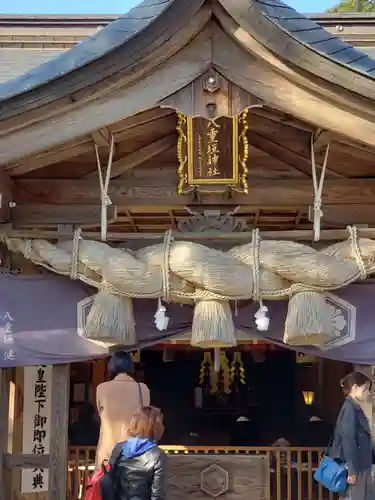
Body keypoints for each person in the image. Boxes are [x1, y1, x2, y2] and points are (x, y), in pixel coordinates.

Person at [95, 351, 150, 468]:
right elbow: (147, 415)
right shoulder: (142, 389)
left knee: (106, 484)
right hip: (134, 453)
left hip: (107, 452)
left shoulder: (101, 388)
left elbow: (100, 413)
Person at [329, 371, 375, 500]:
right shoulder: (349, 408)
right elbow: (348, 439)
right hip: (356, 467)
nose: (368, 393)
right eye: (365, 389)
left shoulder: (354, 407)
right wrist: (352, 470)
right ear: (354, 388)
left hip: (362, 466)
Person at [111, 406, 167, 500]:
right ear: (156, 427)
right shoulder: (158, 455)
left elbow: (111, 481)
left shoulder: (119, 448)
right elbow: (157, 495)